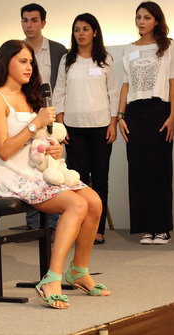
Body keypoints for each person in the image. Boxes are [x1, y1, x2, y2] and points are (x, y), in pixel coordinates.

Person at [0, 39, 110, 309]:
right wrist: (36, 123)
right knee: (76, 204)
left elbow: (37, 141)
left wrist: (53, 150)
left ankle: (79, 270)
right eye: (22, 61)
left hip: (38, 169)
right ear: (6, 62)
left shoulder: (30, 97)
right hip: (11, 173)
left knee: (94, 201)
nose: (29, 67)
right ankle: (52, 277)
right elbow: (3, 150)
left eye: (30, 62)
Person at [53, 13, 118, 245]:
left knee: (100, 179)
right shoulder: (66, 60)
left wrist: (113, 123)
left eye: (85, 29)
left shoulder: (105, 59)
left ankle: (97, 230)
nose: (80, 33)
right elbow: (59, 91)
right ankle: (77, 228)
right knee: (76, 180)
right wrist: (60, 124)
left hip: (101, 127)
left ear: (95, 33)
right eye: (77, 29)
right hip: (74, 128)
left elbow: (113, 93)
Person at [118, 1, 174, 245]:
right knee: (138, 170)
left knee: (160, 169)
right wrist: (120, 116)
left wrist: (173, 115)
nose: (141, 21)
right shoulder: (127, 49)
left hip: (160, 110)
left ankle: (162, 227)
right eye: (138, 17)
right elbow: (125, 85)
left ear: (156, 20)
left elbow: (173, 83)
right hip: (134, 112)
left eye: (146, 17)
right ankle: (146, 228)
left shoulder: (169, 46)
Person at [21, 3, 67, 231]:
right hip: (25, 118)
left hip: (52, 119)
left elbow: (64, 87)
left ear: (43, 23)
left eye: (34, 20)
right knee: (29, 166)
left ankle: (53, 223)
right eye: (25, 20)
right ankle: (33, 224)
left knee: (52, 165)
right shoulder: (17, 50)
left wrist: (61, 119)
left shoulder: (59, 51)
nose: (29, 25)